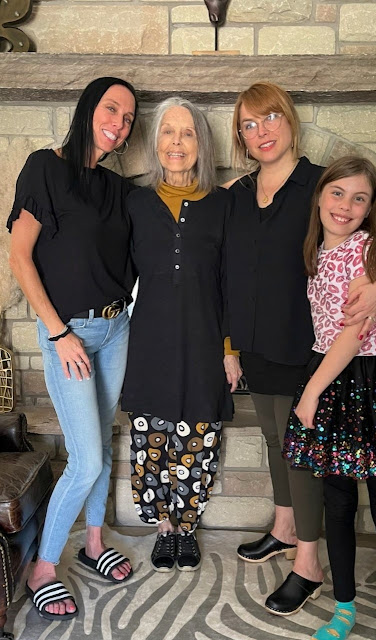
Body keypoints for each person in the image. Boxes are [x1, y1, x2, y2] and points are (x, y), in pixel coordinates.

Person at [225, 82, 376, 614]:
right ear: (240, 136)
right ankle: (283, 529)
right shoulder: (238, 193)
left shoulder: (319, 184)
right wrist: (228, 346)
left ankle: (308, 564)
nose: (261, 132)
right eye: (249, 125)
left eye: (270, 118)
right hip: (254, 343)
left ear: (289, 119)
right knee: (274, 439)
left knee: (299, 452)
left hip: (304, 344)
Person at [7, 77, 138, 621]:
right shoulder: (45, 167)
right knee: (86, 460)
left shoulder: (119, 189)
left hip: (116, 329)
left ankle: (93, 542)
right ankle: (43, 568)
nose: (119, 123)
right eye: (112, 109)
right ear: (88, 108)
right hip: (70, 335)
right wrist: (59, 334)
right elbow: (20, 256)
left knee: (101, 444)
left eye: (129, 118)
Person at [283, 155, 376, 640]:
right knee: (336, 502)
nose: (345, 206)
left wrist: (310, 394)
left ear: (370, 207)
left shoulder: (369, 252)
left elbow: (354, 333)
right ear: (320, 196)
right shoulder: (317, 250)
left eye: (359, 198)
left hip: (373, 379)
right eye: (337, 193)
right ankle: (344, 607)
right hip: (331, 373)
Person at [122, 97, 242, 573]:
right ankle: (163, 527)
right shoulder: (134, 203)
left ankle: (187, 527)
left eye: (187, 133)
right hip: (148, 342)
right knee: (150, 439)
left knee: (198, 438)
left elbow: (231, 281)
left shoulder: (223, 205)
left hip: (205, 340)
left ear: (201, 144)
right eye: (168, 132)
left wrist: (230, 350)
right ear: (155, 143)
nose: (177, 142)